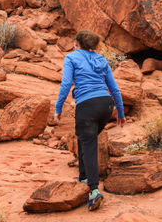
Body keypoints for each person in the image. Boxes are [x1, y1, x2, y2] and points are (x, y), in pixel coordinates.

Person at [54, 30, 126, 211]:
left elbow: (65, 84)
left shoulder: (71, 58)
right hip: (106, 105)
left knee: (89, 142)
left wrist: (58, 108)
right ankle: (83, 176)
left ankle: (94, 190)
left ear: (77, 43)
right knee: (84, 136)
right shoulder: (101, 59)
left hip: (87, 105)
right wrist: (121, 113)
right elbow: (114, 88)